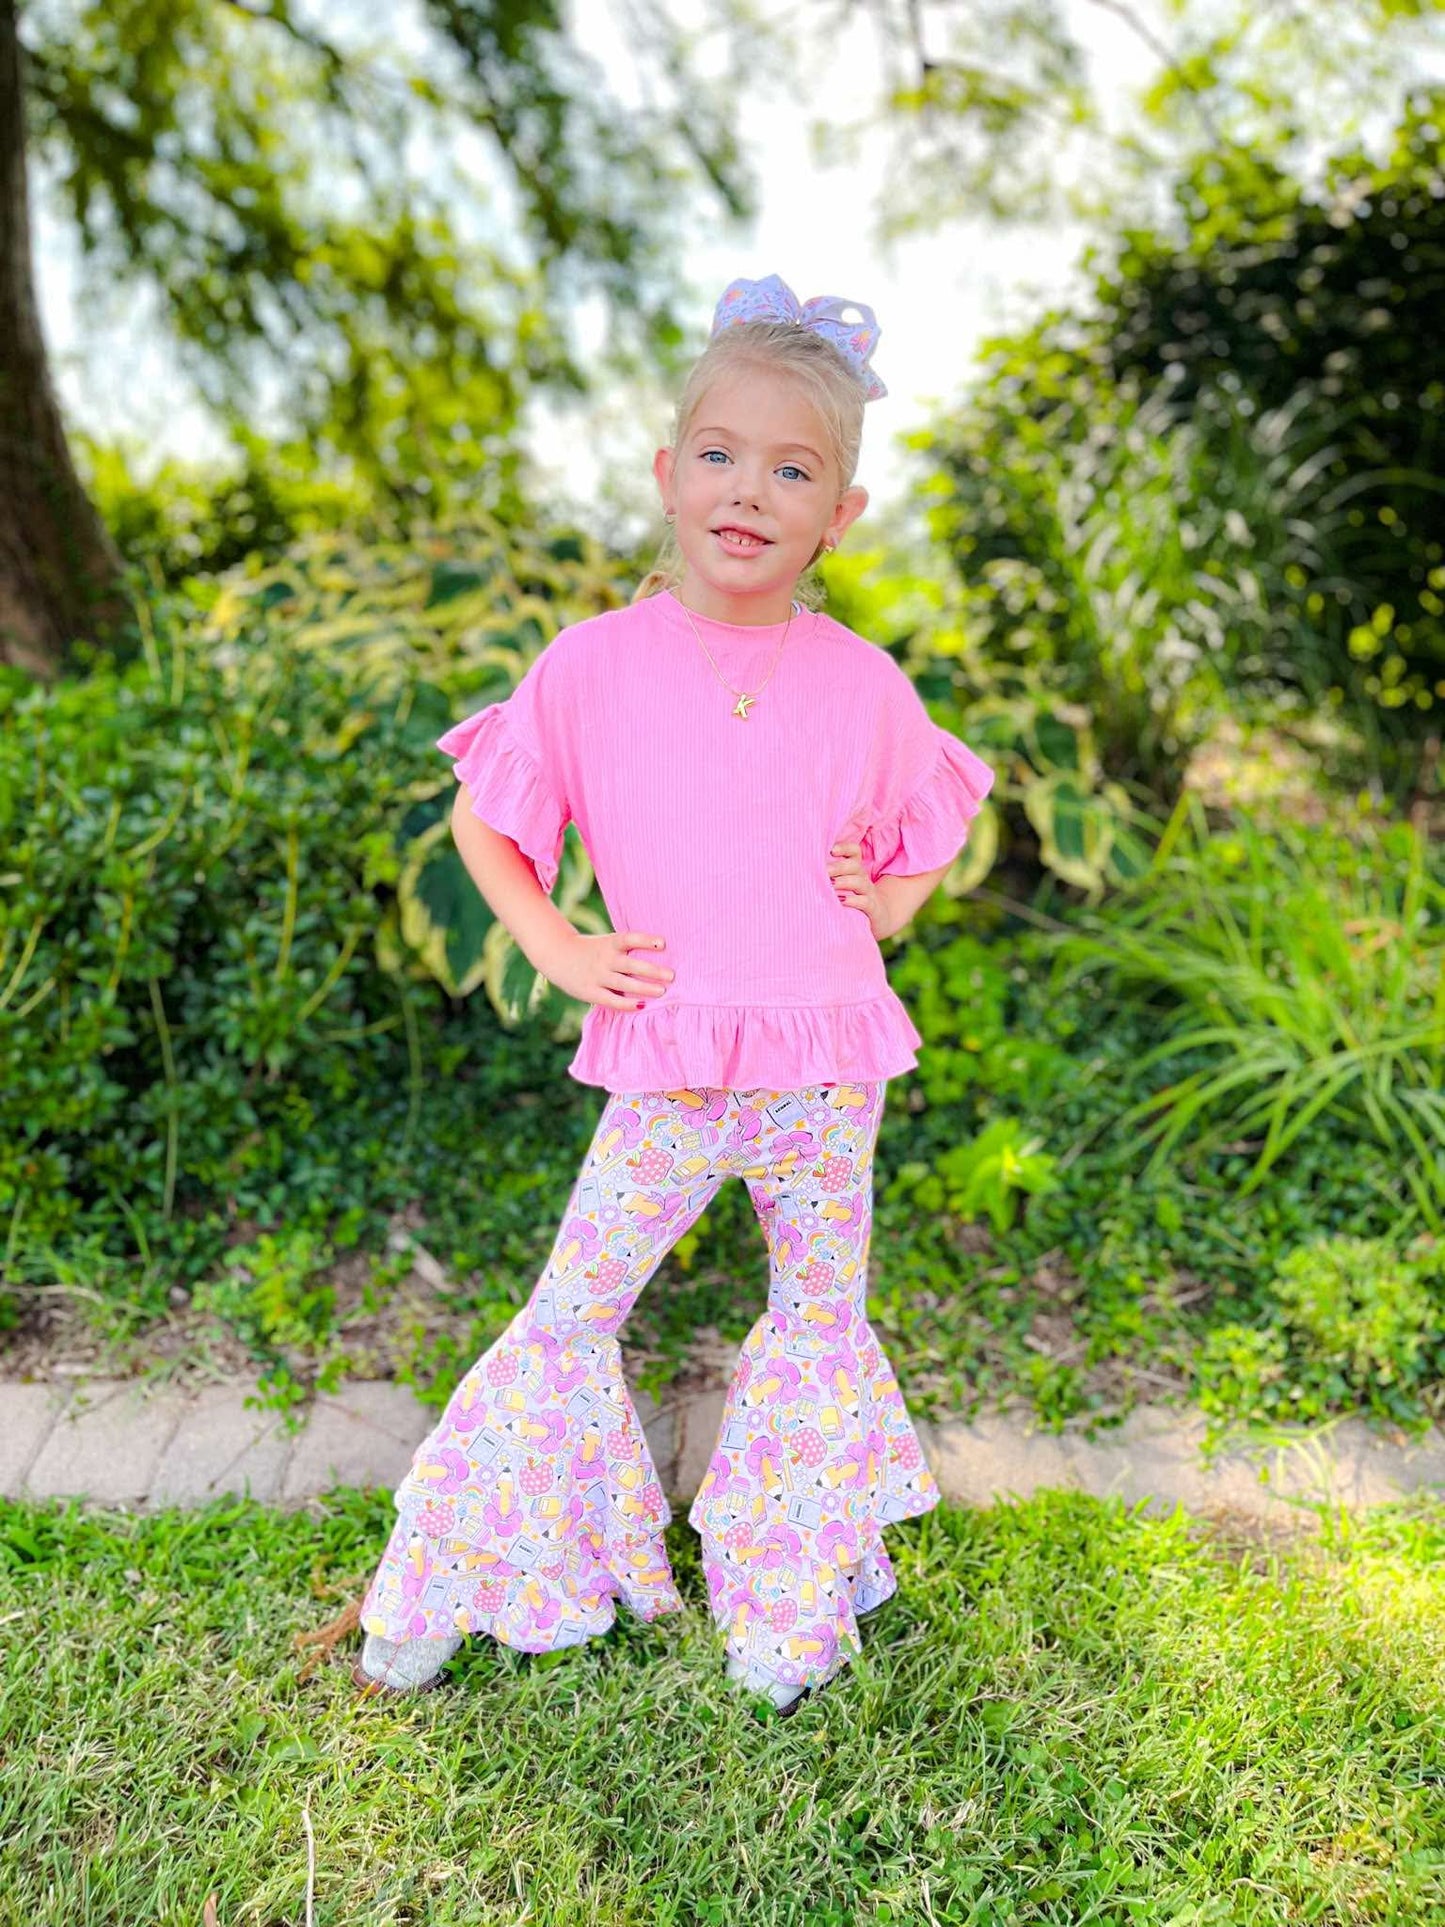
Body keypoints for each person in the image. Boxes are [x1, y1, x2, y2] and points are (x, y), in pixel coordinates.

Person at [351, 272, 996, 1718]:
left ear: (840, 514)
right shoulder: (591, 669)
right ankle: (464, 1571)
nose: (748, 491)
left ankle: (786, 1598)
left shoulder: (862, 683)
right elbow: (484, 824)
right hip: (667, 1068)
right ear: (666, 473)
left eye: (793, 468)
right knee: (572, 1310)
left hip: (827, 1068)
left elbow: (925, 829)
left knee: (819, 1316)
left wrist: (877, 898)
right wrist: (559, 948)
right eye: (720, 455)